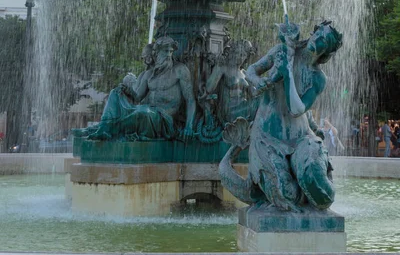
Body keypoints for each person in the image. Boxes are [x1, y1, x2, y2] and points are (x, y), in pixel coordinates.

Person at [219, 20, 343, 212]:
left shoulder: (318, 78)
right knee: (285, 193)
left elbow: (297, 109)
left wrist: (288, 75)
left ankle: (304, 187)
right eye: (317, 34)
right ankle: (282, 190)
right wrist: (257, 81)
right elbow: (251, 70)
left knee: (320, 190)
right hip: (267, 136)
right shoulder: (282, 51)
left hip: (301, 137)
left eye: (323, 41)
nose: (316, 40)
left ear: (327, 51)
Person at [74, 37, 196, 141]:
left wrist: (189, 127)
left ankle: (100, 129)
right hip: (147, 111)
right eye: (165, 51)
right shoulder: (149, 74)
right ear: (156, 53)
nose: (169, 55)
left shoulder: (179, 70)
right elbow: (137, 97)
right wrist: (126, 91)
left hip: (164, 119)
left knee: (142, 113)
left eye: (171, 51)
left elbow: (190, 100)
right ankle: (103, 129)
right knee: (116, 93)